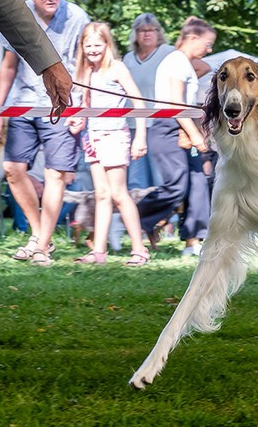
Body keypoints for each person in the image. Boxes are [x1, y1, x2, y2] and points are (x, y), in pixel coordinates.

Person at [0, 0, 90, 265]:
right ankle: (38, 234)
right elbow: (8, 67)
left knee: (55, 174)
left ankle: (42, 245)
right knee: (12, 169)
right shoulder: (18, 15)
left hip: (62, 105)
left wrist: (80, 107)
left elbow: (85, 66)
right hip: (23, 103)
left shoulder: (77, 17)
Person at [72, 22, 152, 266]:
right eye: (88, 45)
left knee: (119, 193)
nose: (93, 50)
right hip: (93, 137)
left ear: (107, 44)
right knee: (102, 194)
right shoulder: (85, 72)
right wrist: (78, 120)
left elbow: (139, 103)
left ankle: (140, 250)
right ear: (82, 47)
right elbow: (87, 106)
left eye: (98, 44)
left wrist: (140, 137)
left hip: (115, 135)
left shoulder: (117, 68)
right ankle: (99, 251)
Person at [136, 16, 216, 256]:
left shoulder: (184, 61)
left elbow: (206, 67)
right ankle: (134, 217)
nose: (209, 50)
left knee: (199, 181)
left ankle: (194, 239)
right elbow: (175, 104)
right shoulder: (176, 62)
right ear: (192, 39)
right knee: (176, 187)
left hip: (180, 128)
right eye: (207, 43)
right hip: (166, 128)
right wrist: (197, 137)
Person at [121, 13, 175, 189]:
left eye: (152, 30)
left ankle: (165, 214)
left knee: (160, 174)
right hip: (133, 122)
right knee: (136, 176)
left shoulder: (169, 53)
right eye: (142, 30)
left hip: (159, 122)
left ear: (158, 33)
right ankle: (140, 213)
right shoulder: (128, 58)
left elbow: (197, 69)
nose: (147, 34)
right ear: (135, 34)